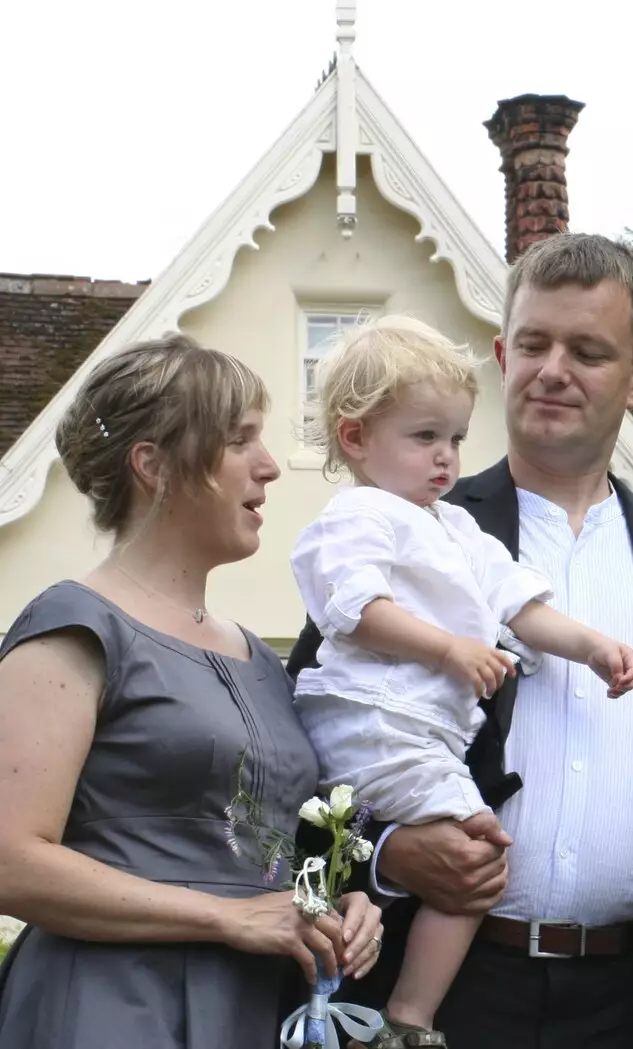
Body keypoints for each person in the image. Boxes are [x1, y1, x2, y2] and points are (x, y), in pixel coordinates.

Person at [287, 234, 633, 1049]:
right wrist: (390, 853)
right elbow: (303, 748)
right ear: (504, 356)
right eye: (535, 344)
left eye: (588, 351)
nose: (553, 370)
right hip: (451, 991)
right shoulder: (402, 523)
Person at [0, 334, 384, 1049]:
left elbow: (266, 844)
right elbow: (8, 857)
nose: (268, 467)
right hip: (112, 1008)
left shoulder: (260, 661)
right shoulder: (73, 626)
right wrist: (224, 916)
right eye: (240, 441)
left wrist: (335, 899)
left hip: (254, 1009)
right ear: (155, 466)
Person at [288, 315, 633, 1047]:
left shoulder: (453, 528)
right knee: (481, 853)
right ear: (357, 439)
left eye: (454, 437)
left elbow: (521, 603)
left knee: (474, 854)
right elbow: (352, 609)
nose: (446, 458)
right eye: (425, 437)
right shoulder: (358, 514)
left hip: (420, 731)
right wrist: (450, 649)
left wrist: (593, 646)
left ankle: (391, 1006)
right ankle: (410, 1019)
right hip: (372, 720)